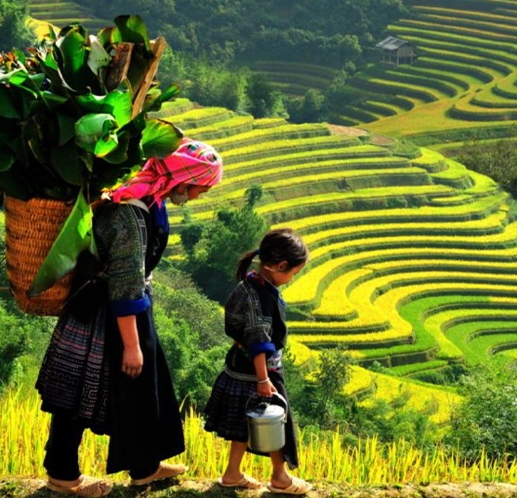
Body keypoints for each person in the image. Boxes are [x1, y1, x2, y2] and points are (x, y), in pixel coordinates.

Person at [35, 139, 223, 497]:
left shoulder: (150, 199)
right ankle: (62, 475)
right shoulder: (128, 213)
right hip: (104, 311)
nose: (199, 196)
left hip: (128, 307)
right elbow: (124, 283)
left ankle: (145, 466)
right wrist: (133, 345)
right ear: (185, 179)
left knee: (143, 390)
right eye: (201, 187)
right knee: (76, 394)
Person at [203, 228, 312, 495]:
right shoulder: (258, 297)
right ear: (280, 266)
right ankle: (280, 478)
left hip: (240, 366)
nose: (291, 278)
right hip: (260, 371)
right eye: (293, 273)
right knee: (275, 419)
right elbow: (257, 339)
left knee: (245, 423)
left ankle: (232, 473)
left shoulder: (250, 284)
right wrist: (264, 379)